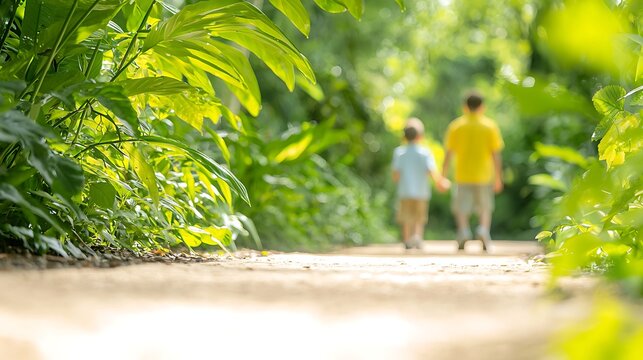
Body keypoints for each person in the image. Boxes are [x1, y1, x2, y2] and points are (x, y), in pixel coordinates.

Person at [442, 92, 504, 252]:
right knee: (485, 207)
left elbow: (448, 153)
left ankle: (463, 231)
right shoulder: (490, 126)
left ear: (465, 107)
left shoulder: (456, 126)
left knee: (461, 207)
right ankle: (483, 230)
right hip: (484, 175)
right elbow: (495, 154)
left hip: (463, 175)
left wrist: (443, 175)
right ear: (482, 107)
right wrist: (498, 177)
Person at [392, 118, 450, 250]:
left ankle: (407, 239)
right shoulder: (425, 153)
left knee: (406, 216)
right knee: (419, 217)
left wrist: (397, 179)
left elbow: (396, 174)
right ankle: (417, 237)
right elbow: (431, 171)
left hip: (405, 190)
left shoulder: (399, 153)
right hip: (421, 191)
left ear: (404, 137)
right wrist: (440, 182)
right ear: (420, 136)